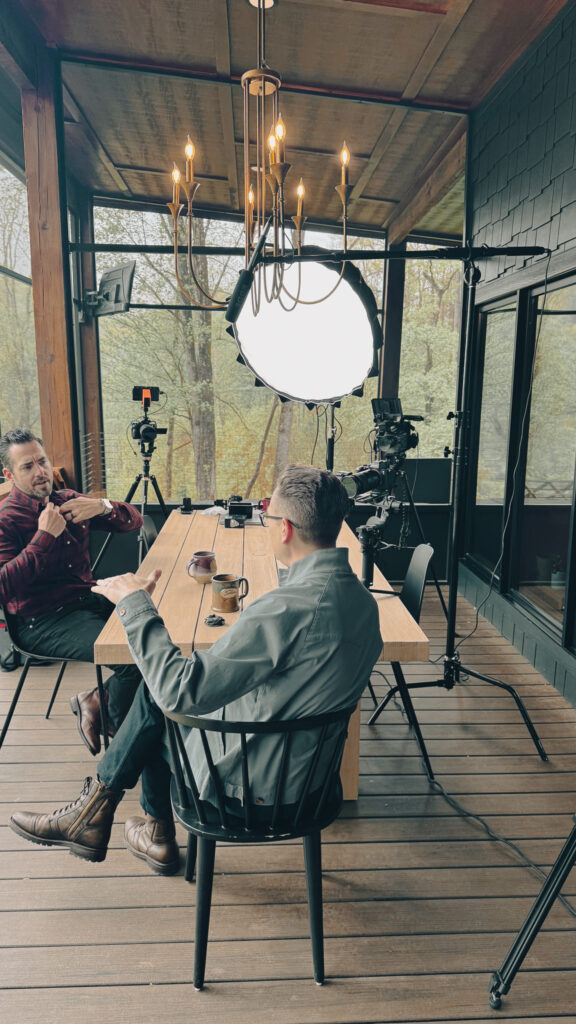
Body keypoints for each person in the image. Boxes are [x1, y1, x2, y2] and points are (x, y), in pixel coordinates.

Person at [9, 465, 383, 876]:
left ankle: (112, 821)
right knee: (157, 692)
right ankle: (115, 820)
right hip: (314, 779)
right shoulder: (363, 602)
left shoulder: (286, 610)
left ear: (286, 529)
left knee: (156, 695)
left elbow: (179, 692)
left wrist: (135, 605)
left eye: (268, 515)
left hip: (257, 791)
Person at [0, 427, 143, 754]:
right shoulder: (6, 521)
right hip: (41, 622)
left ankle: (98, 702)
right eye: (27, 466)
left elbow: (134, 521)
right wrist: (44, 538)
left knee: (156, 632)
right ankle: (126, 743)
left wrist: (102, 507)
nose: (40, 472)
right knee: (133, 658)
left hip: (89, 601)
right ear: (9, 475)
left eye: (42, 461)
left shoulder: (68, 500)